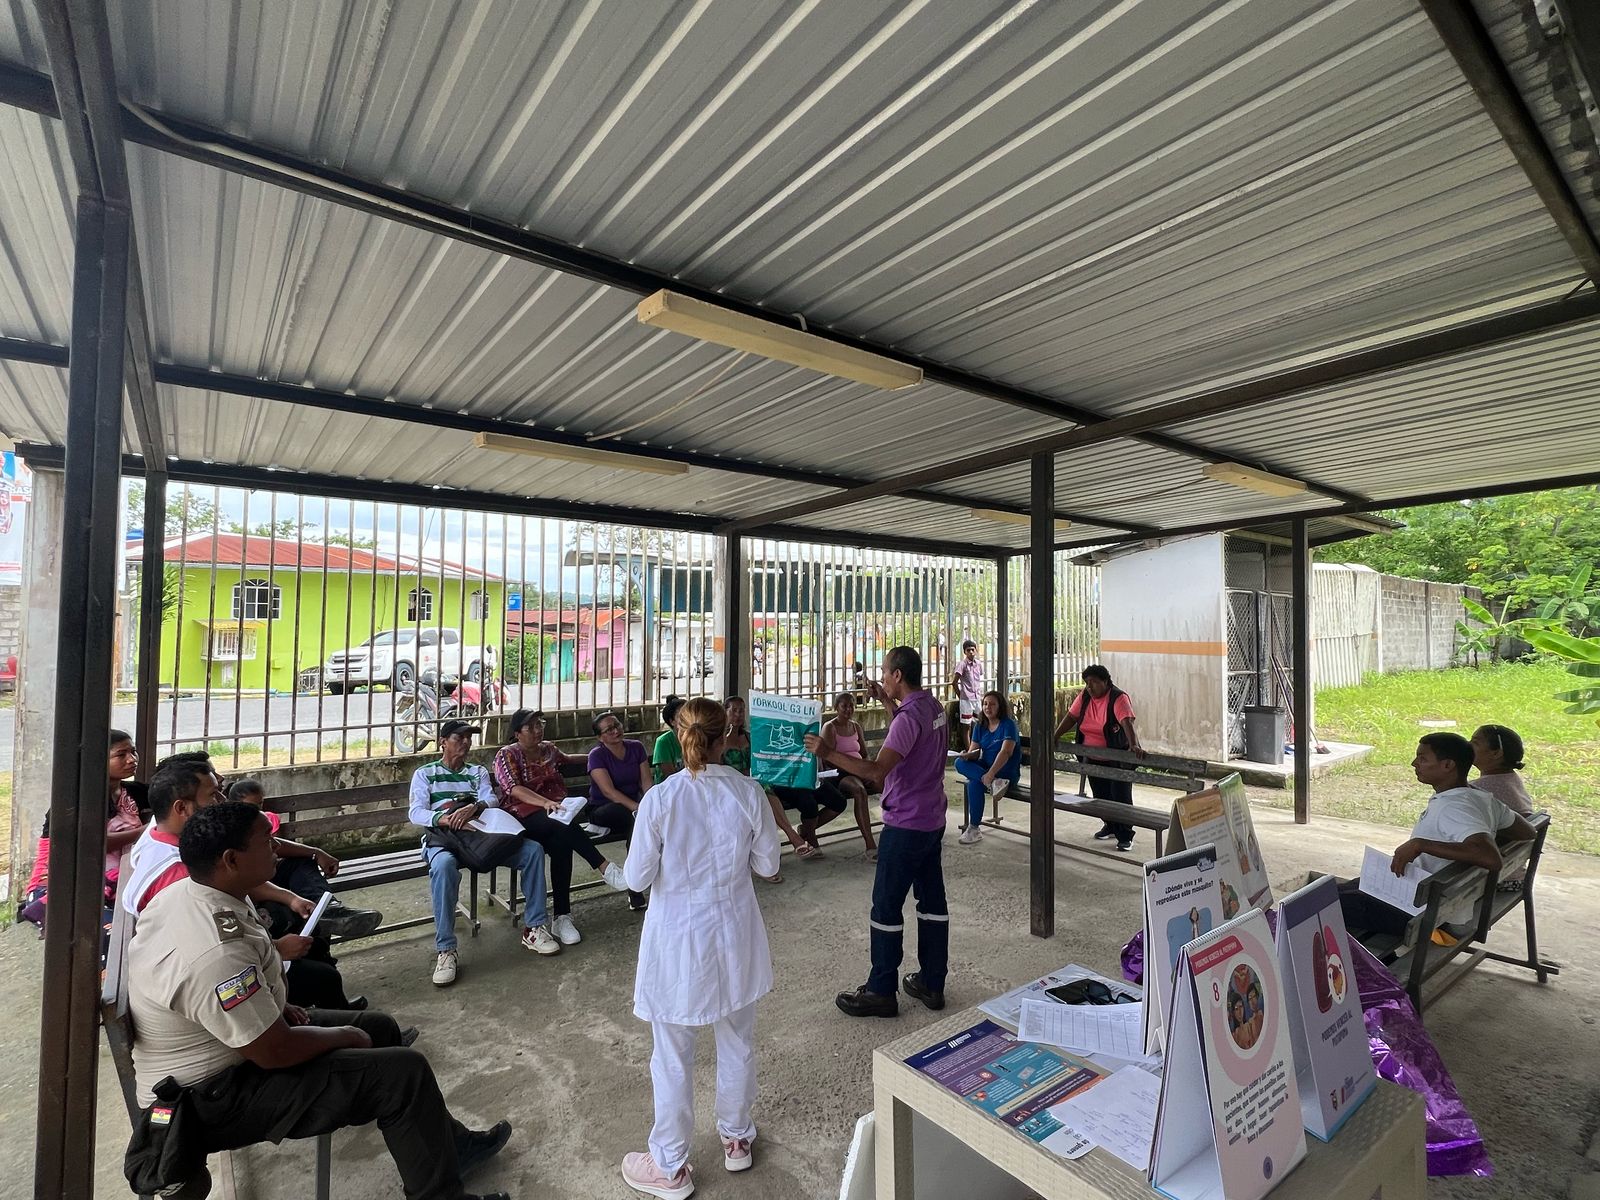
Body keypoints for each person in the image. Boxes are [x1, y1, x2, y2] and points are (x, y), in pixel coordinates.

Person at [126, 801, 513, 1200]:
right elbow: (273, 1051)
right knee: (402, 1073)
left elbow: (232, 990)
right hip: (210, 1097)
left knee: (379, 1027)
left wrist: (277, 1007)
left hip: (234, 1048)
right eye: (265, 841)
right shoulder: (214, 952)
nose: (276, 847)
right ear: (231, 859)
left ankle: (449, 1150)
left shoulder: (199, 892)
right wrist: (343, 1035)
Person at [620, 698, 781, 1199]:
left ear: (679, 735)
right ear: (724, 737)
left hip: (678, 941)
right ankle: (737, 1137)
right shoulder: (748, 792)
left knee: (672, 1055)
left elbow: (637, 877)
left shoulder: (660, 800)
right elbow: (769, 866)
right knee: (737, 1040)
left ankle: (669, 1166)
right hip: (734, 935)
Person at [128, 759, 363, 1011]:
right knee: (319, 967)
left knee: (302, 909)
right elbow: (213, 946)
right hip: (217, 975)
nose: (221, 800)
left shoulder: (174, 836)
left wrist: (291, 893)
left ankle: (327, 915)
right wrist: (276, 949)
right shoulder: (179, 873)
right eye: (213, 794)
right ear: (182, 807)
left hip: (235, 945)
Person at [807, 646, 950, 1019]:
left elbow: (875, 772)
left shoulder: (908, 719)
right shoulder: (932, 707)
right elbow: (910, 735)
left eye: (885, 672)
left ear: (898, 675)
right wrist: (887, 701)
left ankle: (881, 989)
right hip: (932, 820)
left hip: (905, 825)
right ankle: (932, 982)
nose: (882, 677)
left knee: (886, 906)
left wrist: (826, 751)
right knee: (932, 903)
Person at [1338, 733, 1537, 940]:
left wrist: (1421, 844)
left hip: (1424, 913)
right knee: (1340, 890)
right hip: (1433, 896)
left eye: (1423, 758)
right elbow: (1528, 831)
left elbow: (1490, 857)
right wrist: (1484, 828)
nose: (1414, 763)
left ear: (1448, 765)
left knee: (1324, 904)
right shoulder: (1480, 798)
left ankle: (1369, 956)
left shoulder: (1454, 807)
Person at [410, 719, 559, 987]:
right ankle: (446, 949)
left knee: (533, 851)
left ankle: (534, 928)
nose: (466, 743)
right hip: (445, 841)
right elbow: (416, 812)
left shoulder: (476, 771)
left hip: (481, 839)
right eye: (459, 738)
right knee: (443, 867)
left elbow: (491, 799)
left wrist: (474, 807)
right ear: (443, 742)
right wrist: (446, 819)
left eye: (469, 738)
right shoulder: (425, 773)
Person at [492, 709, 629, 944]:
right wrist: (545, 803)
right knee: (562, 826)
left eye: (539, 724)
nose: (538, 730)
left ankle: (562, 918)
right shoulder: (507, 755)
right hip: (523, 818)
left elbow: (570, 760)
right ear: (517, 733)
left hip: (556, 818)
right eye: (531, 727)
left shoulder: (548, 749)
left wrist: (601, 754)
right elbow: (513, 789)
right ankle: (604, 867)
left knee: (561, 842)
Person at [20, 729, 147, 935]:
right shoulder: (74, 801)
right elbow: (91, 844)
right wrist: (145, 831)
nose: (132, 759)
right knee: (110, 934)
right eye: (121, 754)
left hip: (115, 880)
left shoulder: (134, 792)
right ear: (98, 760)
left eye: (133, 752)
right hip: (64, 883)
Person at [227, 778, 383, 940]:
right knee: (297, 913)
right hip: (253, 889)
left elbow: (276, 845)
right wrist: (291, 898)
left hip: (265, 875)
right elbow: (243, 883)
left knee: (302, 862)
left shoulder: (254, 822)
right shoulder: (225, 829)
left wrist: (316, 852)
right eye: (214, 793)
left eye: (259, 804)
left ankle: (327, 910)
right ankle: (319, 919)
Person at [1051, 664, 1146, 852]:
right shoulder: (1085, 697)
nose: (1089, 686)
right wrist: (1055, 735)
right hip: (1092, 757)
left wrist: (1133, 745)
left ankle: (1125, 835)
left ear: (1105, 682)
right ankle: (1110, 826)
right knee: (1101, 796)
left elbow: (1126, 722)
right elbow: (1071, 717)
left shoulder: (1118, 698)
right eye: (1087, 682)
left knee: (1120, 797)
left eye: (1094, 682)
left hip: (1117, 758)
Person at [584, 711, 652, 912]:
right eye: (609, 730)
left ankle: (641, 878)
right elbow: (609, 792)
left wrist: (650, 804)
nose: (615, 731)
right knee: (636, 821)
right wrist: (638, 809)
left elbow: (646, 782)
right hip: (603, 809)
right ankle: (635, 887)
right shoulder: (597, 755)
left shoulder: (636, 747)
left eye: (617, 725)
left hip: (633, 809)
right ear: (600, 737)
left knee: (642, 822)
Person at [954, 691, 1019, 846]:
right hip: (988, 773)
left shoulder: (1008, 725)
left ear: (1000, 706)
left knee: (974, 783)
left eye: (992, 704)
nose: (987, 707)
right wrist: (967, 755)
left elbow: (1006, 752)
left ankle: (973, 827)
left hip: (1005, 772)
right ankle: (975, 828)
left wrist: (991, 773)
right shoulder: (980, 726)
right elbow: (975, 752)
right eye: (985, 704)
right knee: (959, 763)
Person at [820, 692, 878, 860]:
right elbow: (828, 759)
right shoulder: (830, 727)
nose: (848, 709)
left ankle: (898, 828)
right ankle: (870, 845)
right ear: (836, 707)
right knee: (859, 791)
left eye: (851, 705)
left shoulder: (856, 726)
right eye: (844, 706)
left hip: (859, 771)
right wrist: (854, 769)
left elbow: (864, 754)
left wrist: (868, 770)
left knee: (886, 782)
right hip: (839, 774)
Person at [1470, 723, 1534, 816]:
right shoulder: (1510, 778)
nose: (1468, 745)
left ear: (1496, 753)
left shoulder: (1480, 788)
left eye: (1475, 743)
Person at [652, 695, 688, 784]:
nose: (688, 719)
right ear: (672, 721)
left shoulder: (697, 738)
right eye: (682, 716)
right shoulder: (663, 742)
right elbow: (670, 776)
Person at [950, 639, 984, 728]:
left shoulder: (978, 664)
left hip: (977, 697)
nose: (971, 652)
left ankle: (977, 737)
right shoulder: (962, 664)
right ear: (965, 652)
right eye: (968, 650)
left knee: (980, 722)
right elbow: (954, 683)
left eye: (973, 650)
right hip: (966, 699)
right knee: (966, 726)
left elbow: (979, 677)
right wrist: (961, 696)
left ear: (976, 651)